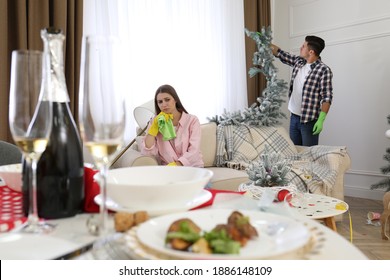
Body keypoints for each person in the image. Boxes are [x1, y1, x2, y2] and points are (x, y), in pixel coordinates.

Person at [271, 35, 333, 146]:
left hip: (308, 121)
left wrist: (321, 119)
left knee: (309, 156)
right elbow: (280, 53)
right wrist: (265, 42)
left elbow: (327, 97)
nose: (300, 48)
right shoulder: (299, 62)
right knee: (295, 153)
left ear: (311, 52)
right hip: (294, 117)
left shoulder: (323, 70)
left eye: (303, 46)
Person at [140, 84, 204, 167]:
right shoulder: (155, 121)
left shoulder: (192, 120)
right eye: (160, 102)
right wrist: (154, 128)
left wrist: (177, 164)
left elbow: (194, 151)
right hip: (168, 169)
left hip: (192, 167)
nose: (164, 104)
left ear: (175, 100)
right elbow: (147, 152)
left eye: (167, 100)